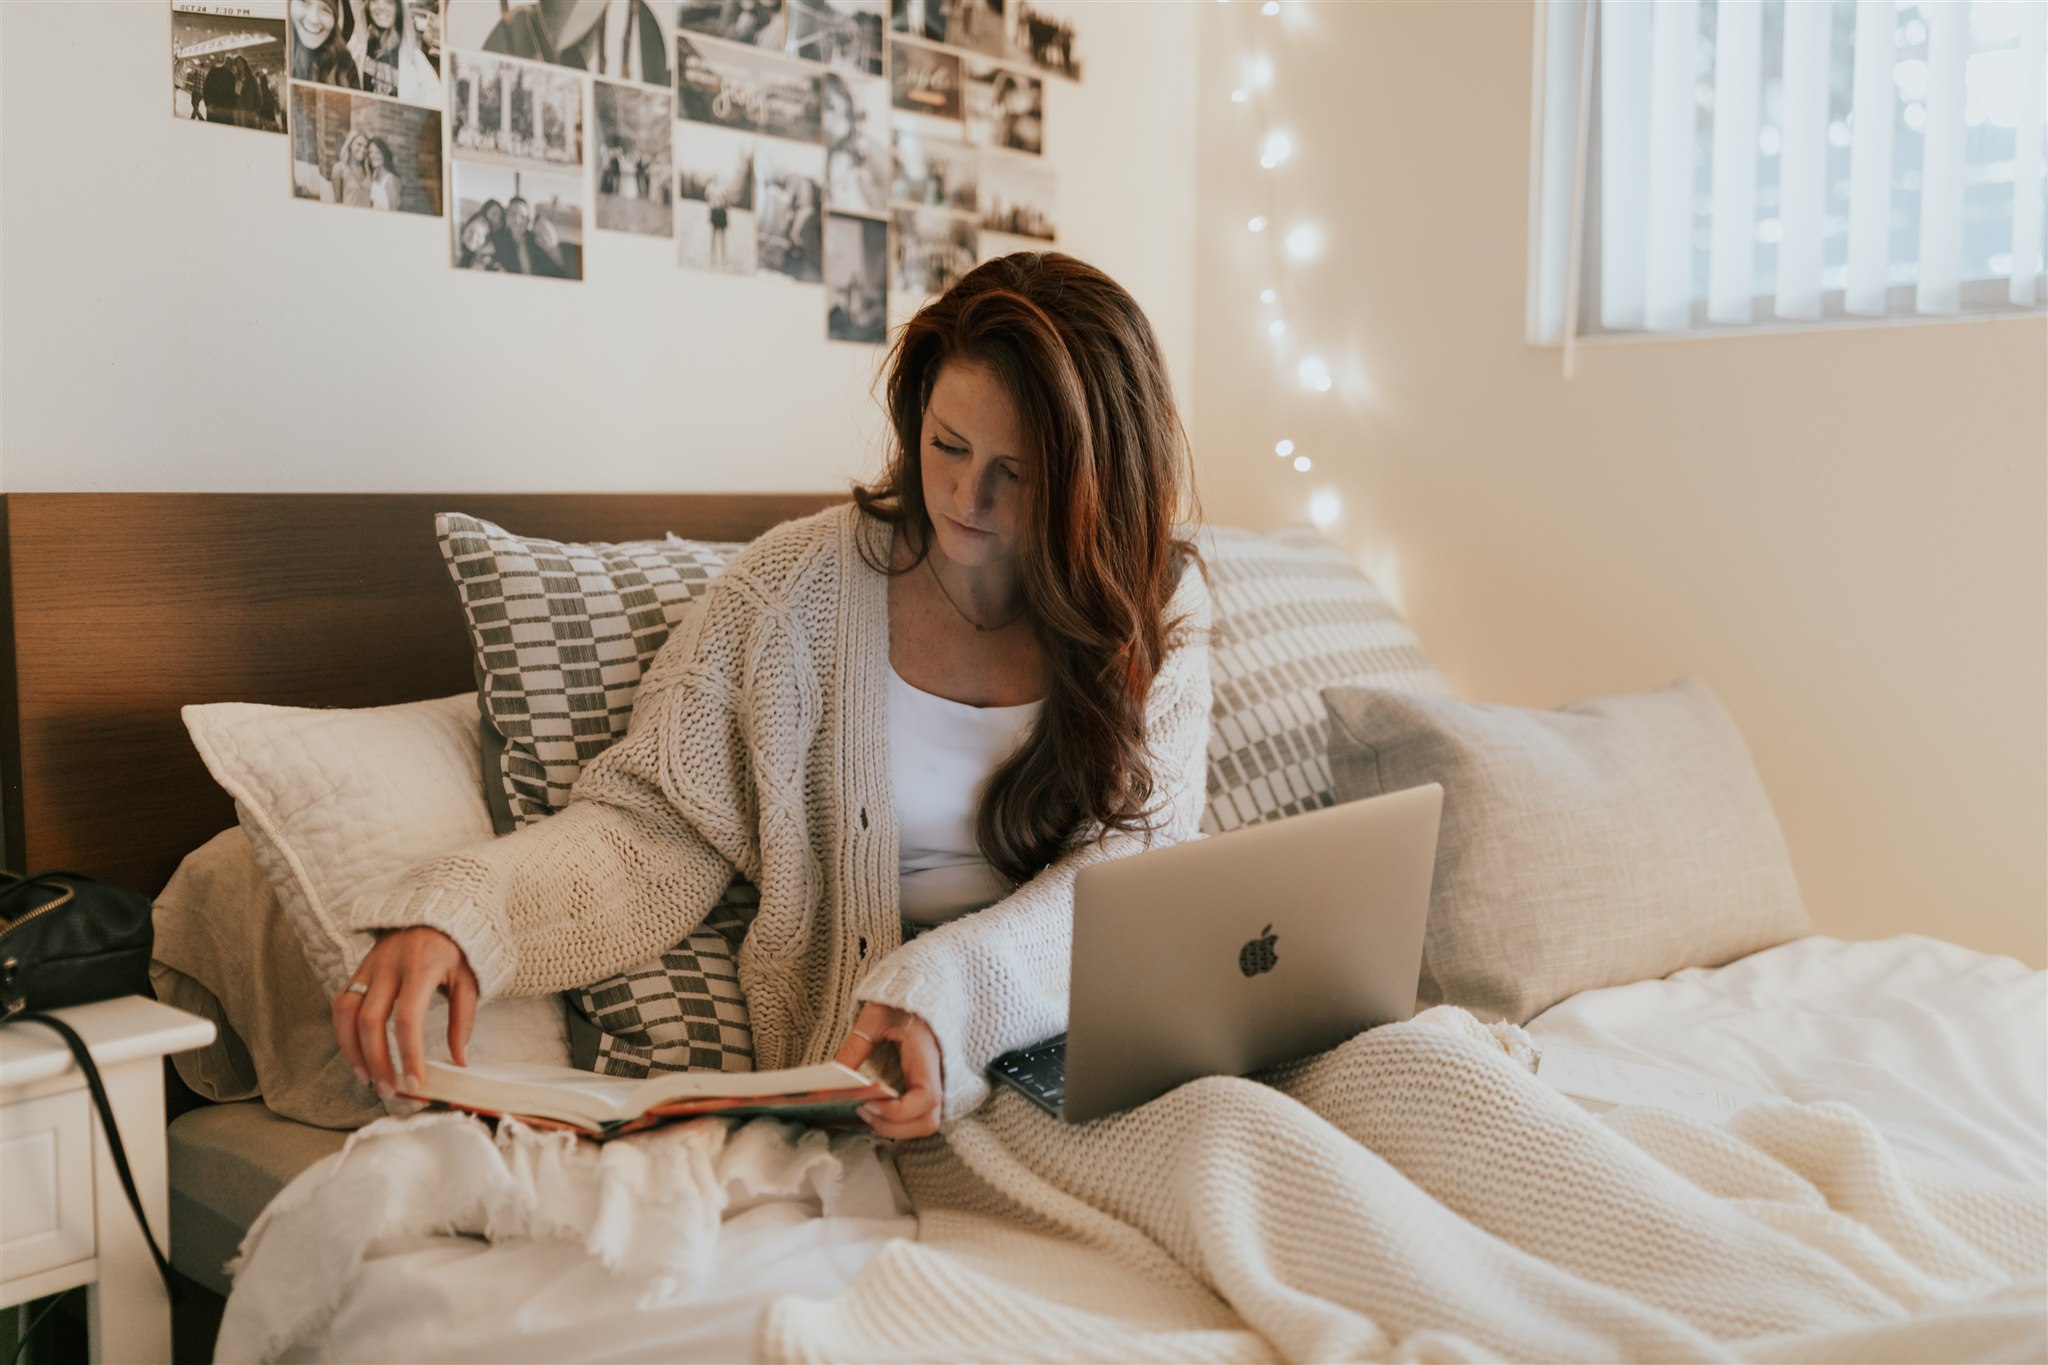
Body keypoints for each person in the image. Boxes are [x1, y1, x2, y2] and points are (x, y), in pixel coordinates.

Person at [331, 252, 1209, 1143]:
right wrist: (464, 914)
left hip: (1101, 1044)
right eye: (947, 445)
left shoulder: (1152, 603)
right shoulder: (790, 595)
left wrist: (950, 992)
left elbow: (1132, 875)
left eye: (1013, 473)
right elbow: (650, 832)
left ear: (1093, 484)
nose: (964, 495)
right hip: (898, 1085)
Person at [353, 0, 444, 104]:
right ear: (367, 6)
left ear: (399, 8)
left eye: (389, 2)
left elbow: (436, 100)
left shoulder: (414, 58)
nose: (381, 7)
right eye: (375, 1)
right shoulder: (356, 46)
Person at [822, 72, 887, 217]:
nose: (831, 116)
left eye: (830, 106)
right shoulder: (833, 158)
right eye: (828, 107)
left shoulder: (864, 152)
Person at [290, 0, 362, 89]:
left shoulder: (344, 63)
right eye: (304, 3)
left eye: (325, 10)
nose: (313, 19)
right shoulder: (278, 52)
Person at [366, 137, 402, 210]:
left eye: (377, 152)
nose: (373, 156)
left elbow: (394, 211)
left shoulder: (390, 181)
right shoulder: (374, 175)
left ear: (384, 154)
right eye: (370, 152)